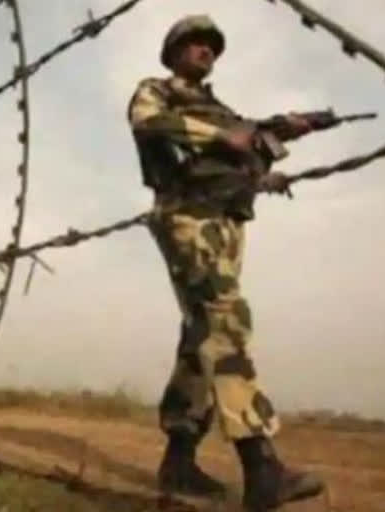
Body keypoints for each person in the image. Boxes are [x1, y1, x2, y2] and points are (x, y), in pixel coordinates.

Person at [126, 14, 325, 511]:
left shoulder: (225, 111)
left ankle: (179, 462)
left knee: (203, 334)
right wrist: (224, 136)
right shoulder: (157, 90)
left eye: (211, 45)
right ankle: (262, 468)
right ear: (173, 53)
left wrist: (269, 161)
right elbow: (147, 121)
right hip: (186, 216)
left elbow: (237, 158)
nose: (204, 50)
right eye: (193, 43)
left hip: (226, 220)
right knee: (226, 321)